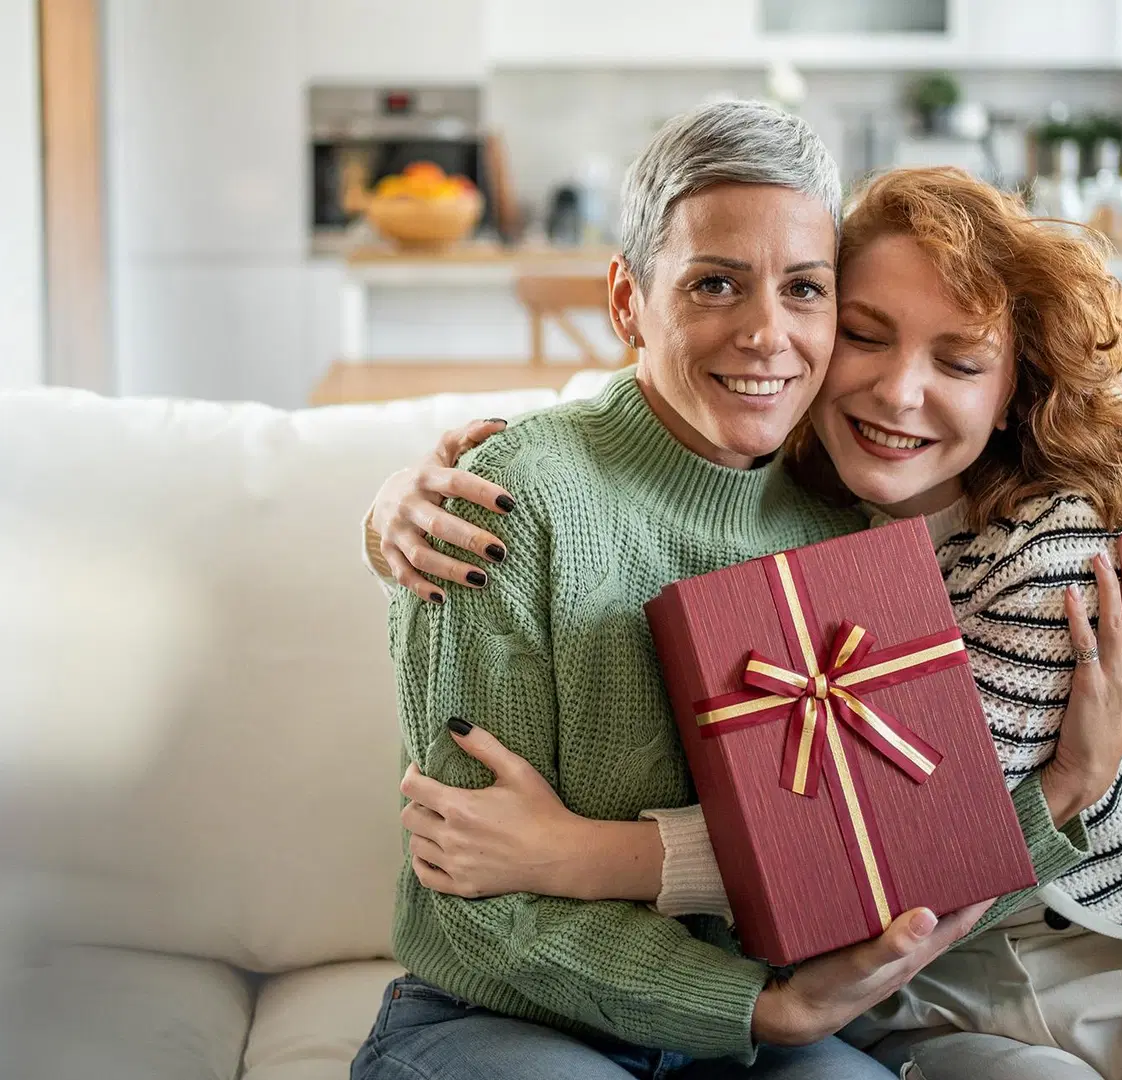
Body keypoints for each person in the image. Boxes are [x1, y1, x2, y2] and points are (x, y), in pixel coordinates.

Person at [367, 167, 1122, 1080]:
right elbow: (638, 434)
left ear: (1012, 392)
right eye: (864, 334)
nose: (900, 391)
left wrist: (575, 856)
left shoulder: (1053, 543)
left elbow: (901, 841)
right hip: (926, 1004)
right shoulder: (799, 507)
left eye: (958, 361)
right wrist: (393, 508)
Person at [350, 103, 1033, 1080]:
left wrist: (1071, 789)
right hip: (502, 1019)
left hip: (743, 1035)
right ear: (628, 302)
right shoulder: (503, 505)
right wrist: (758, 1005)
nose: (766, 333)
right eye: (716, 283)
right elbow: (476, 900)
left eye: (804, 289)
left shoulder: (842, 515)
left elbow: (904, 844)